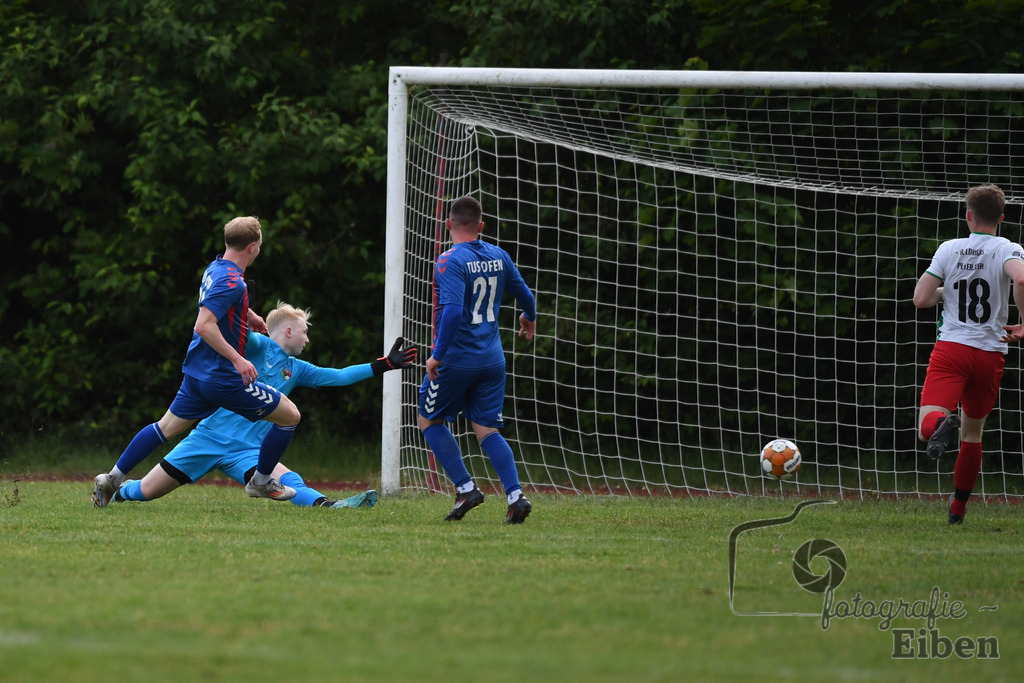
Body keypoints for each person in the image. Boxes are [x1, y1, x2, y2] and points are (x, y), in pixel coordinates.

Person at [109, 302, 417, 508]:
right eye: (304, 332)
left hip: (248, 452)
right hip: (208, 438)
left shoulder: (297, 369)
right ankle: (120, 491)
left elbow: (337, 376)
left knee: (288, 480)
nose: (307, 339)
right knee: (146, 492)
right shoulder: (258, 345)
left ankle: (329, 505)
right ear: (288, 331)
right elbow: (233, 330)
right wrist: (243, 304)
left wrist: (384, 365)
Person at [93, 216, 302, 507]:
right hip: (223, 378)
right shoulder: (234, 284)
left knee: (164, 427)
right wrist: (238, 360)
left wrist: (248, 315)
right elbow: (204, 325)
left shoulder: (216, 268)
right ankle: (261, 481)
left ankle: (111, 479)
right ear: (253, 247)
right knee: (290, 416)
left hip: (198, 373)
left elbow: (218, 306)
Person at [418, 196, 538, 524]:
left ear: (448, 225)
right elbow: (526, 294)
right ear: (481, 226)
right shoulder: (499, 255)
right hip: (492, 359)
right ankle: (515, 496)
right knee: (486, 429)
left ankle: (466, 488)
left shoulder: (448, 261)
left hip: (456, 359)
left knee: (429, 420)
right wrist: (530, 317)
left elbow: (454, 311)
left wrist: (436, 356)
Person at [913, 183, 1024, 525]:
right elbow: (1020, 280)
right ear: (1001, 218)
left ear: (968, 216)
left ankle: (942, 423)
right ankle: (958, 510)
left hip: (952, 350)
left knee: (926, 428)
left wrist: (948, 289)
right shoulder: (1008, 247)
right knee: (973, 435)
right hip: (990, 354)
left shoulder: (950, 248)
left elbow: (921, 299)